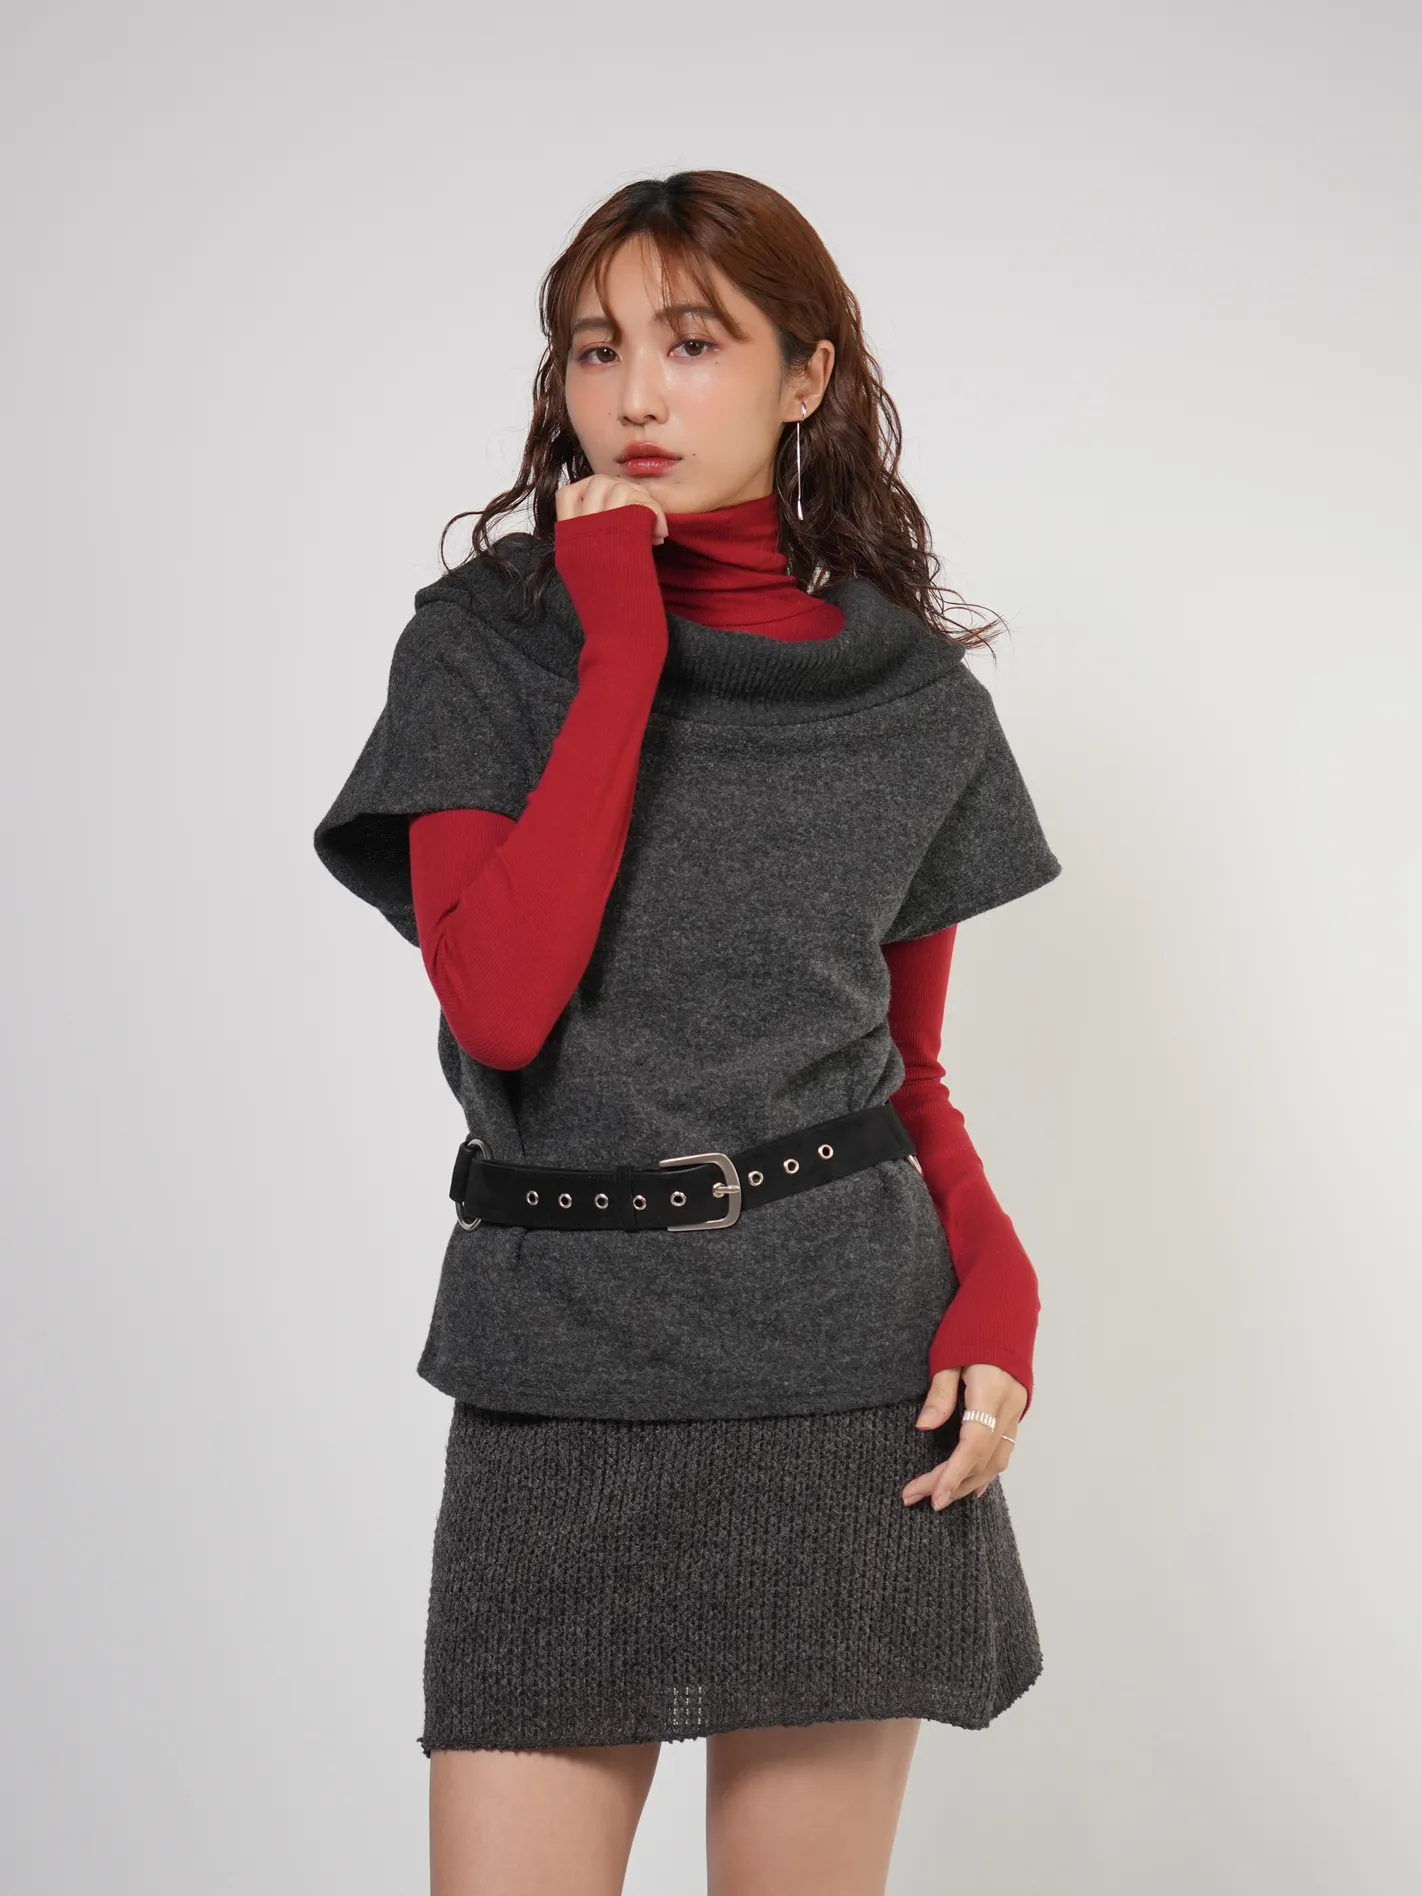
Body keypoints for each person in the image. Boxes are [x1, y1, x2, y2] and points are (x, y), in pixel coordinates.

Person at [313, 169, 1062, 1896]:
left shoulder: (908, 704)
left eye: (692, 342)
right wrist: (618, 647)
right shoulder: (489, 646)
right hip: (557, 1360)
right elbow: (500, 1001)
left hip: (841, 1375)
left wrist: (998, 1279)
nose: (635, 394)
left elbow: (907, 1071)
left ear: (805, 377)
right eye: (595, 350)